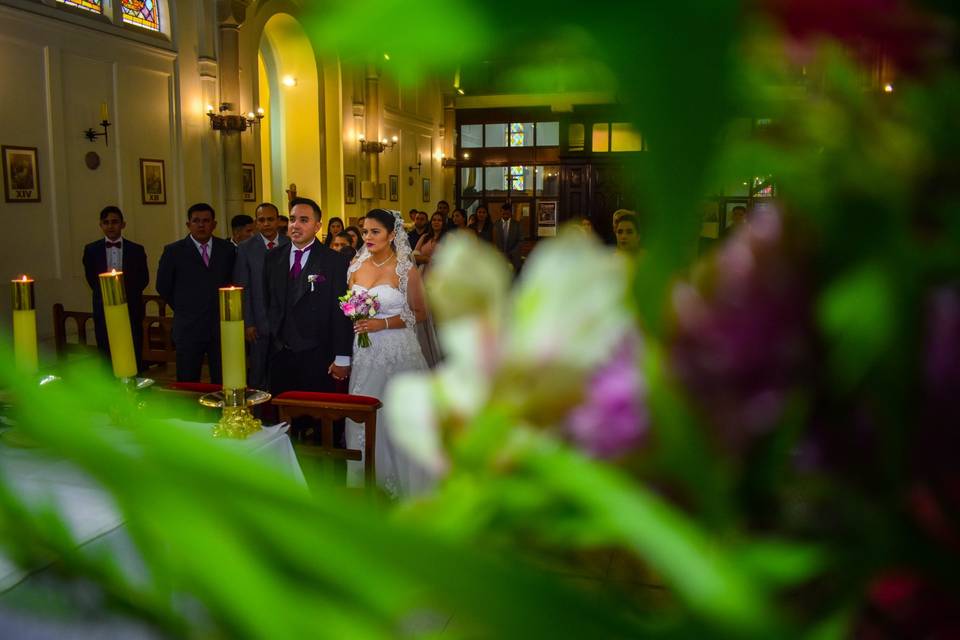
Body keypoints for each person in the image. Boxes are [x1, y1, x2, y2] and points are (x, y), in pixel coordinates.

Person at [347, 208, 432, 496]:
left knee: (395, 419)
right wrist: (356, 316)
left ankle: (407, 489)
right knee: (362, 414)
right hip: (365, 352)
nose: (367, 237)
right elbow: (350, 304)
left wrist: (380, 323)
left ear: (392, 234)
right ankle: (365, 484)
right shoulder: (355, 267)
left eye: (375, 231)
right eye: (364, 231)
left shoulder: (405, 270)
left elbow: (419, 313)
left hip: (398, 353)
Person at [263, 197, 352, 396]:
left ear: (318, 226)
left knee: (317, 417)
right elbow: (269, 301)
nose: (295, 225)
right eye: (293, 219)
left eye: (304, 220)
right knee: (283, 417)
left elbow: (341, 311)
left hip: (318, 352)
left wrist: (343, 355)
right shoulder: (272, 258)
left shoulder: (334, 261)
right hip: (281, 351)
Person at [156, 203, 236, 383]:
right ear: (188, 224)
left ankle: (219, 412)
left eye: (206, 221)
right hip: (189, 327)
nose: (201, 225)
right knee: (188, 380)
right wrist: (186, 307)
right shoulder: (174, 251)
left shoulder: (227, 250)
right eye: (196, 221)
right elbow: (163, 286)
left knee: (222, 380)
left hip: (220, 327)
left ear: (214, 224)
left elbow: (234, 281)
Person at [82, 205, 149, 374]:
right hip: (104, 308)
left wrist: (125, 295)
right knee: (106, 349)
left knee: (132, 348)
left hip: (130, 307)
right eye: (106, 223)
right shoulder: (91, 250)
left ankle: (134, 383)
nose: (110, 226)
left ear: (123, 224)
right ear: (101, 225)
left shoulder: (136, 249)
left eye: (114, 222)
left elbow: (143, 278)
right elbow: (92, 279)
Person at [232, 202, 289, 390]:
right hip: (258, 322)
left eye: (270, 219)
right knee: (258, 373)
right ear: (256, 223)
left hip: (286, 323)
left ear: (278, 221)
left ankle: (282, 414)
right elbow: (243, 287)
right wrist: (248, 322)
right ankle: (257, 416)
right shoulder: (246, 248)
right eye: (261, 220)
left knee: (283, 373)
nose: (266, 224)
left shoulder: (290, 244)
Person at [492, 202, 522, 271]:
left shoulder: (517, 225)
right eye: (503, 213)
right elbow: (494, 241)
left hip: (513, 258)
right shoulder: (495, 224)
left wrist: (510, 253)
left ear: (511, 213)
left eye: (507, 213)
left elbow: (521, 240)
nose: (505, 215)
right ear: (500, 212)